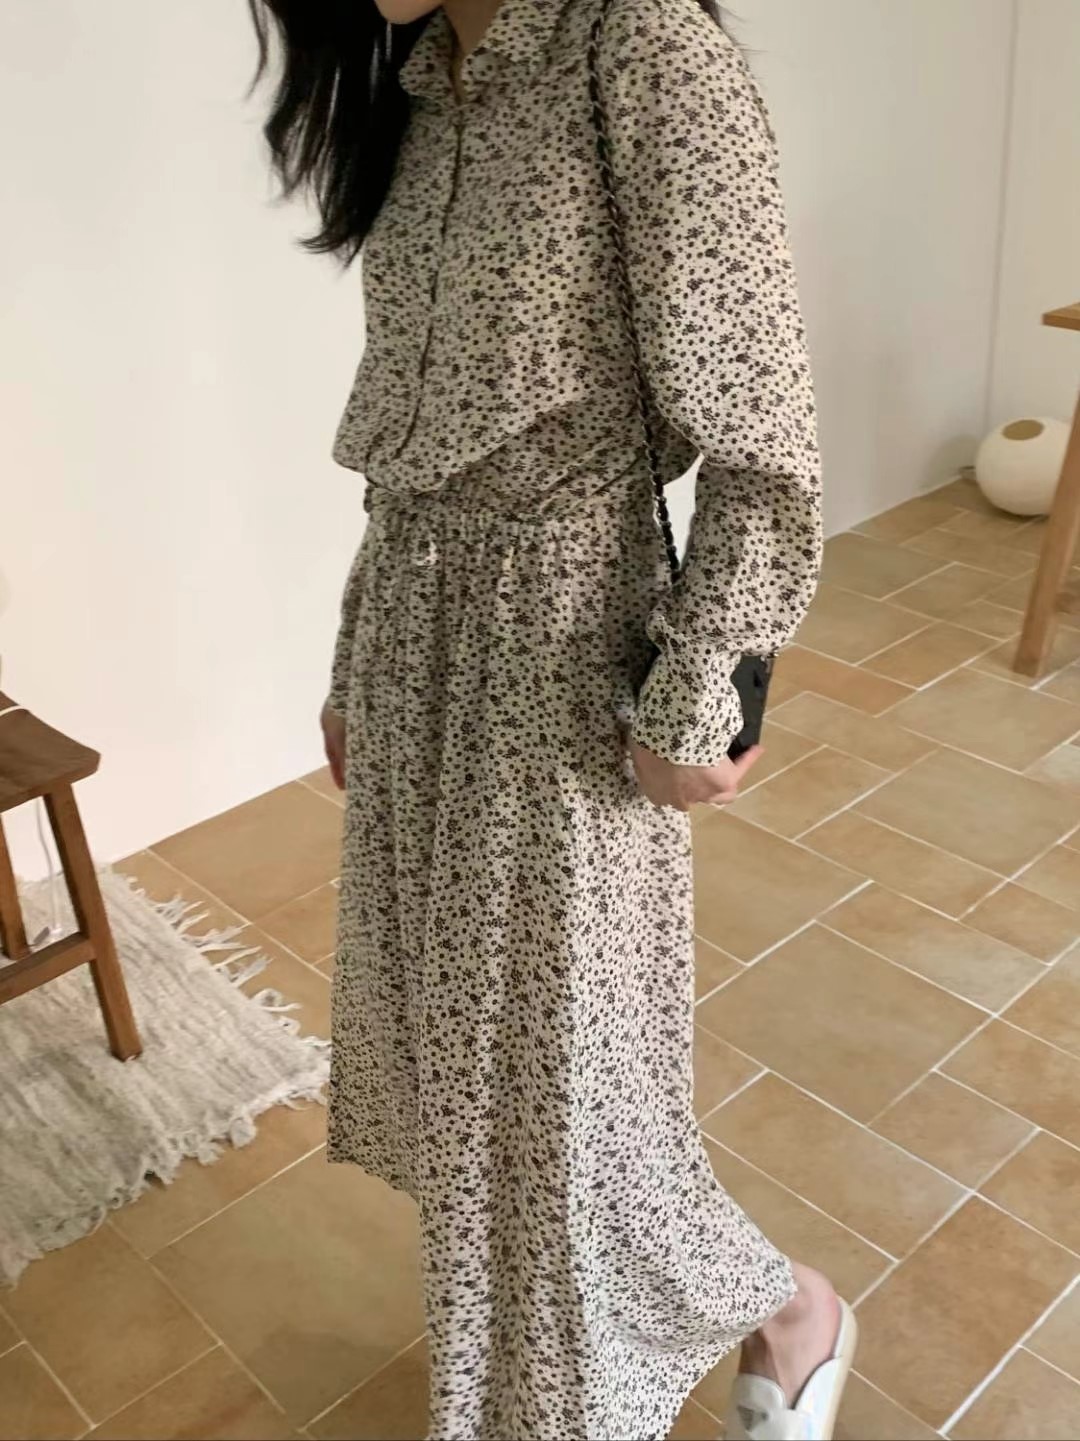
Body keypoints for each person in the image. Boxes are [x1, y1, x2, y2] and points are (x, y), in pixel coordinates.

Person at [248, 1, 854, 1437]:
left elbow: (764, 435)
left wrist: (701, 687)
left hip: (562, 641)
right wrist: (356, 663)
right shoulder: (426, 80)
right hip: (417, 630)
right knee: (476, 1084)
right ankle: (741, 1317)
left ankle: (642, 1367)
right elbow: (412, 445)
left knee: (561, 1087)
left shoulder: (643, 52)